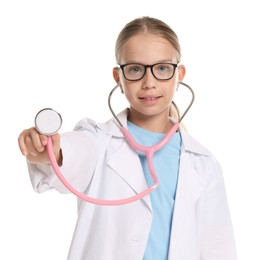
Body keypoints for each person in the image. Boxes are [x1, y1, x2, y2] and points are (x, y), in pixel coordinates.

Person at [18, 16, 237, 260]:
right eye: (135, 69)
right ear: (118, 78)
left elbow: (218, 248)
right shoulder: (99, 141)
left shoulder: (204, 163)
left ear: (179, 74)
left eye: (162, 68)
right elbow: (75, 152)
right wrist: (51, 151)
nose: (149, 82)